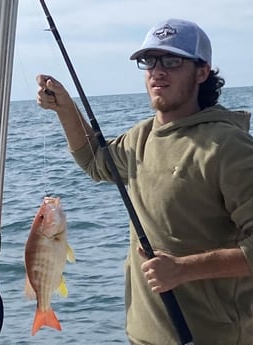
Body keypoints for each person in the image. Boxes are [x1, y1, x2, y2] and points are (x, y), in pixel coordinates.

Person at [36, 18, 253, 345]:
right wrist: (66, 108)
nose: (157, 70)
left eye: (172, 60)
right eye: (148, 61)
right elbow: (96, 161)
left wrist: (183, 269)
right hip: (142, 336)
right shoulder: (141, 137)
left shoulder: (229, 148)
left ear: (202, 72)